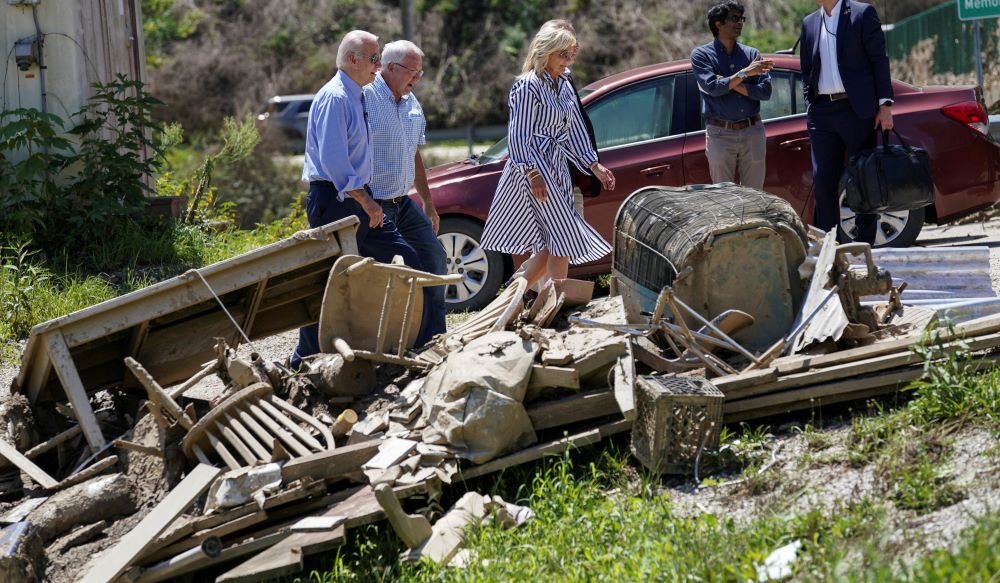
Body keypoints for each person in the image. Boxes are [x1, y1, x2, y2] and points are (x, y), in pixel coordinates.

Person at [290, 30, 426, 370]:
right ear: (354, 60)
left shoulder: (358, 95)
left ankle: (393, 344)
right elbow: (336, 162)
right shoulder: (335, 97)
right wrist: (367, 202)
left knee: (404, 258)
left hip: (357, 200)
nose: (378, 66)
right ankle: (302, 359)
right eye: (374, 58)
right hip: (336, 200)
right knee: (330, 282)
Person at [481, 24, 615, 292]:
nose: (569, 60)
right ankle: (516, 297)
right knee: (563, 235)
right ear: (546, 53)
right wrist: (533, 174)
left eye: (571, 54)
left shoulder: (564, 83)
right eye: (563, 54)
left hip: (558, 167)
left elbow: (575, 128)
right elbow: (518, 135)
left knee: (557, 241)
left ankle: (549, 299)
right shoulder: (527, 86)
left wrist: (593, 164)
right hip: (533, 167)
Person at [364, 40, 448, 340]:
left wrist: (427, 200)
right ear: (390, 68)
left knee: (435, 258)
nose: (417, 77)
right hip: (374, 203)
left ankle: (434, 337)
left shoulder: (412, 103)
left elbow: (414, 153)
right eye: (412, 71)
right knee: (393, 272)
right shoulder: (365, 97)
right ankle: (388, 339)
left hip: (404, 201)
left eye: (420, 72)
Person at [800, 0, 894, 245]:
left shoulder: (862, 13)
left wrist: (884, 105)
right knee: (823, 179)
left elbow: (879, 59)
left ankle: (864, 244)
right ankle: (830, 246)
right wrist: (810, 104)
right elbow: (806, 70)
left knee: (863, 178)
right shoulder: (809, 23)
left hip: (857, 110)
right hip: (822, 113)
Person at [691, 1, 773, 191]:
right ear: (718, 24)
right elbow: (713, 88)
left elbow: (765, 92)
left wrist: (731, 83)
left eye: (741, 18)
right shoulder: (701, 55)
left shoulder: (752, 54)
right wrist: (745, 74)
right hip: (720, 133)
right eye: (734, 18)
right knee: (724, 197)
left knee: (754, 195)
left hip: (752, 130)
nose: (740, 23)